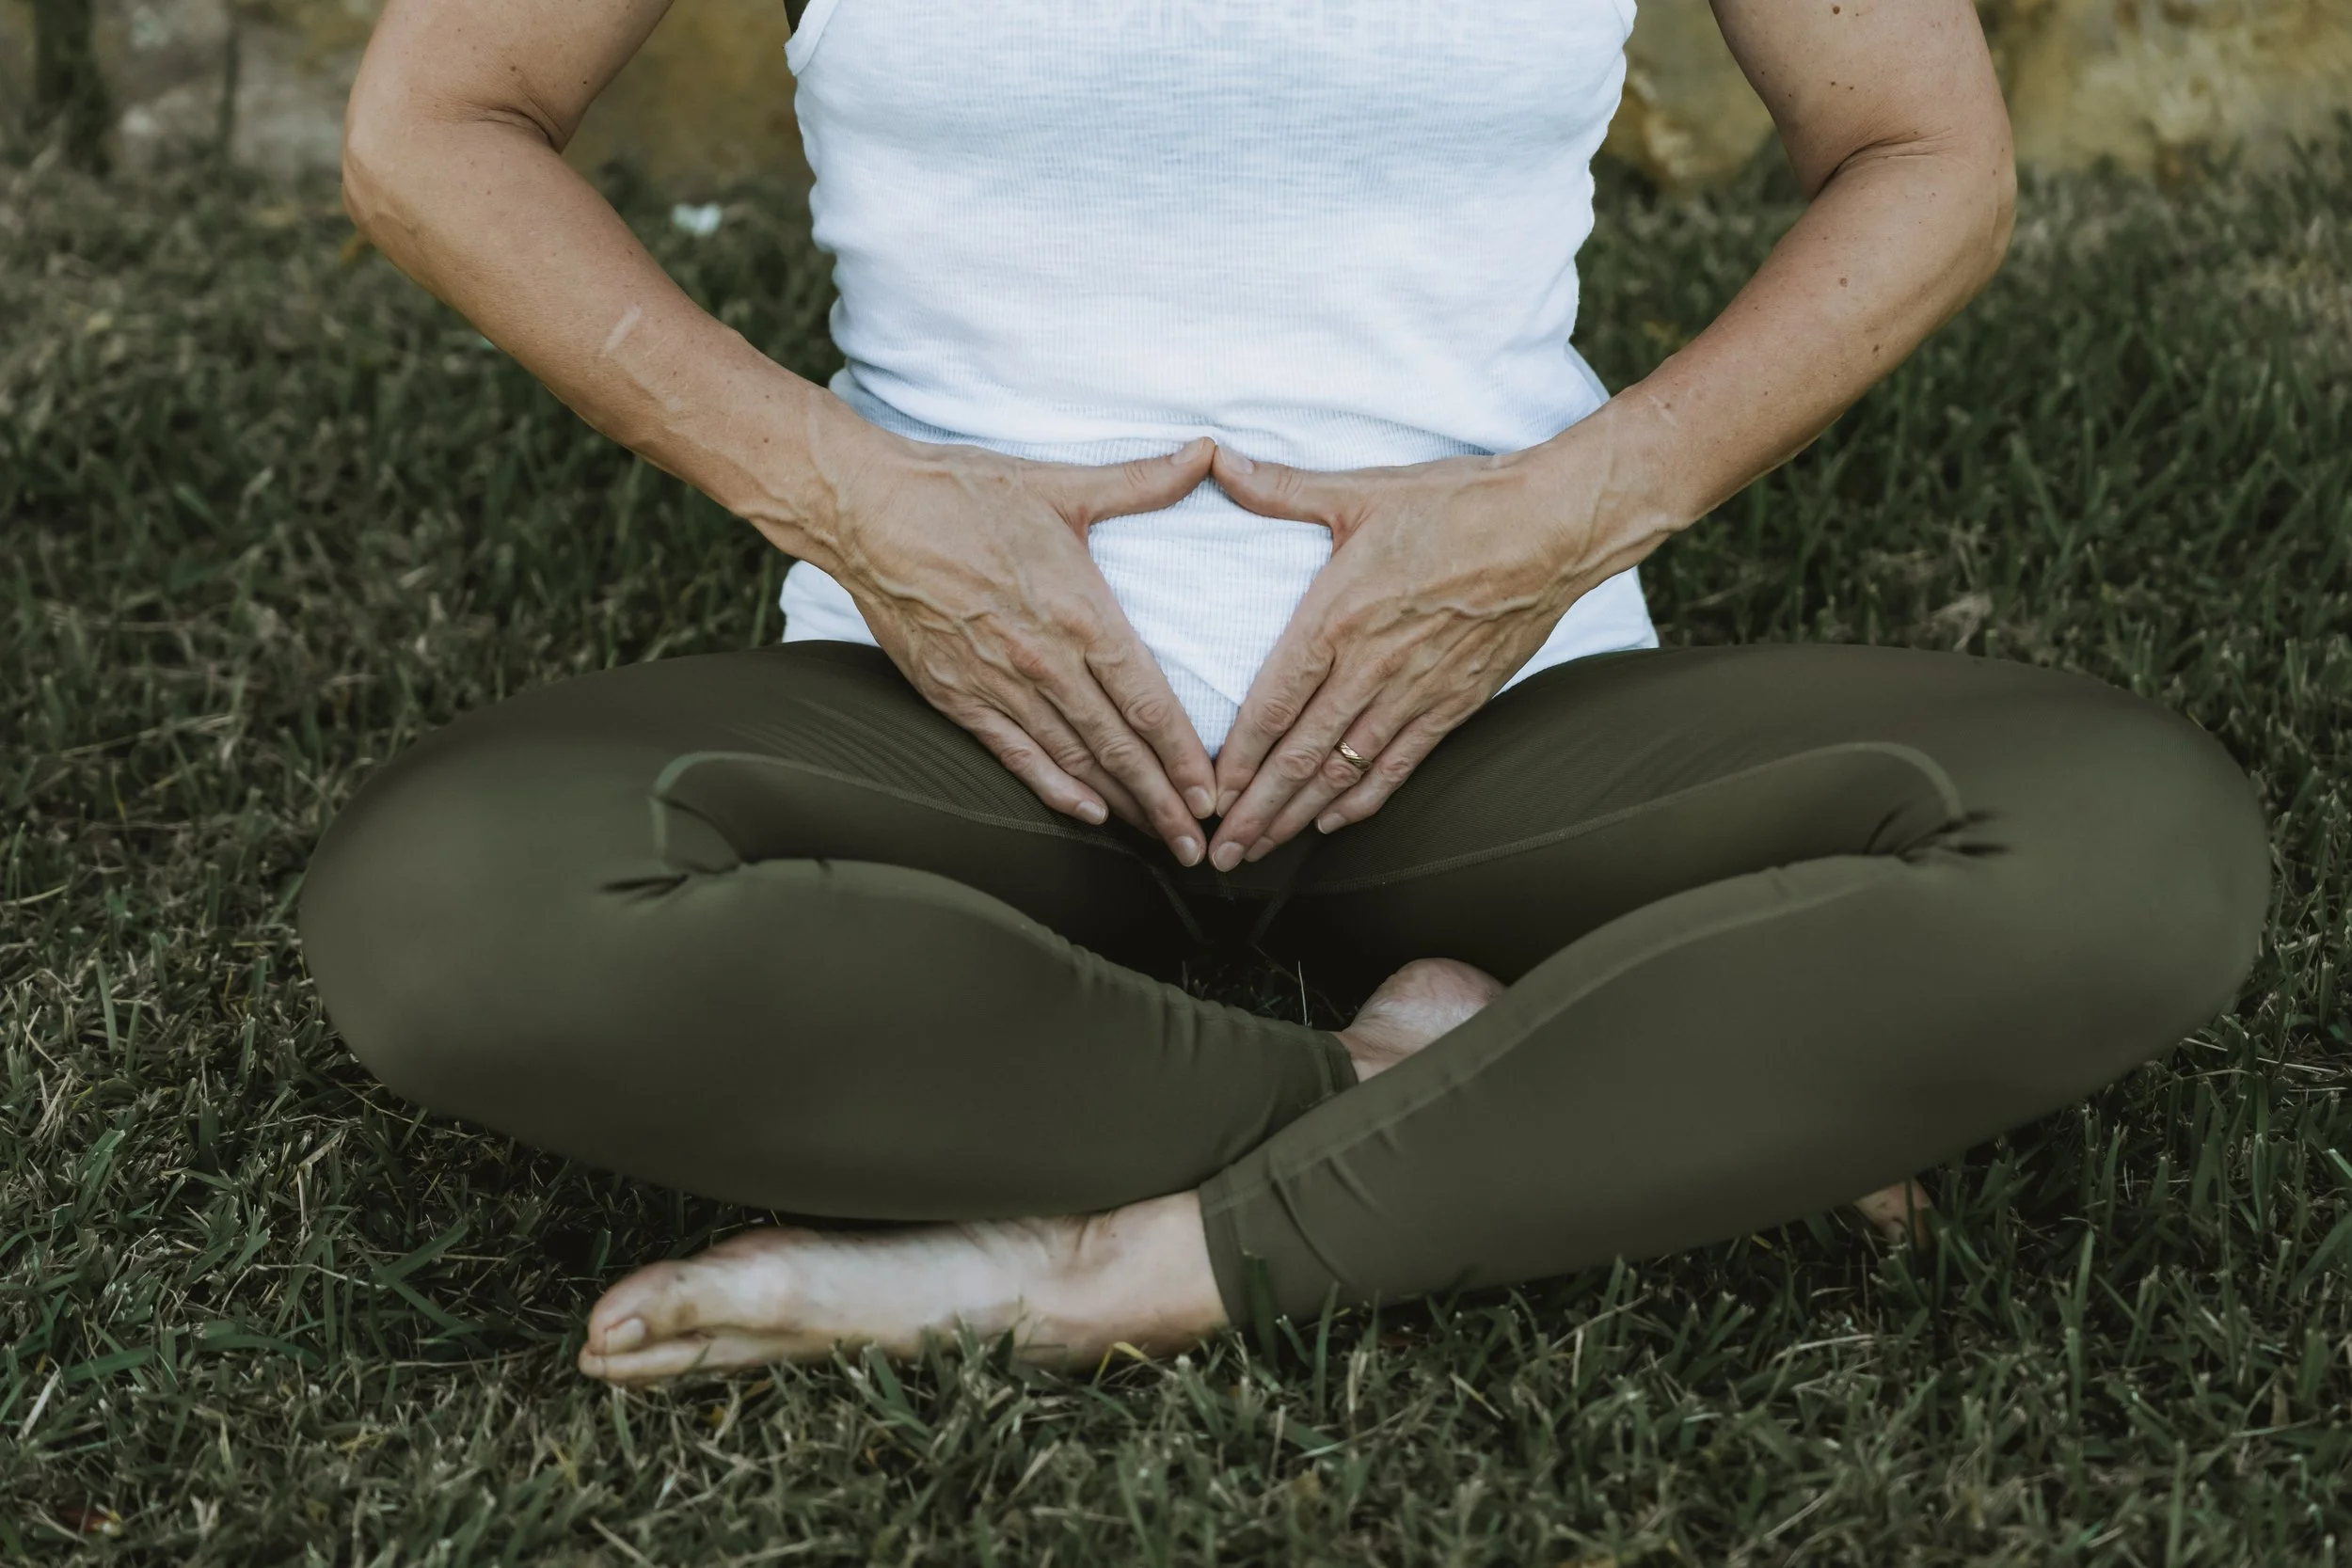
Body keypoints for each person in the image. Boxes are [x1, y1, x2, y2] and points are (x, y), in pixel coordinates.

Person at [299, 0, 2269, 1386]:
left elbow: (1926, 153)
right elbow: (435, 123)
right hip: (955, 715)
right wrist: (858, 505)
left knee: (2127, 848)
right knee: (459, 907)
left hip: (1495, 721)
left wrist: (1562, 519)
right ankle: (1470, 1094)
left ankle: (1125, 1258)